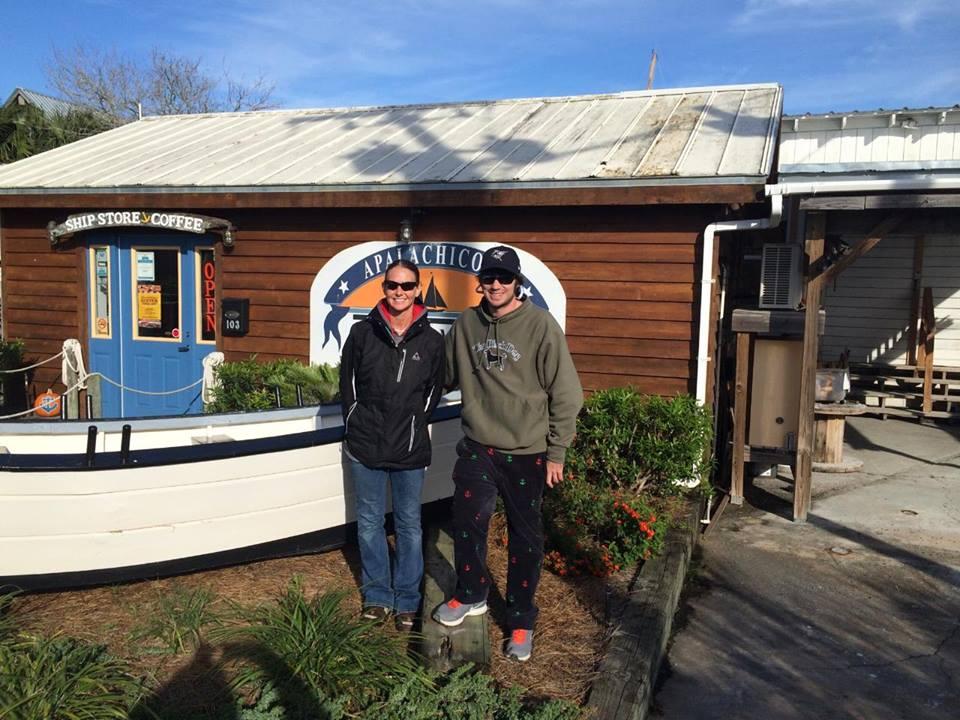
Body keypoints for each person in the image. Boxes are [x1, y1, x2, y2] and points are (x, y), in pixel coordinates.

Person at [433, 245, 583, 661]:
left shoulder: (540, 325)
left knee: (525, 538)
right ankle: (471, 594)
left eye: (504, 277)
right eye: (489, 277)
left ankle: (520, 620)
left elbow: (567, 393)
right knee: (467, 523)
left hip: (527, 451)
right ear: (479, 283)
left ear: (517, 283)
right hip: (478, 446)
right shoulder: (466, 325)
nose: (496, 284)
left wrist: (557, 452)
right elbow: (442, 376)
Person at [339, 258, 444, 631]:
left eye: (407, 285)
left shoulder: (432, 341)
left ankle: (407, 600)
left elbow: (433, 392)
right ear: (383, 288)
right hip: (365, 446)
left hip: (409, 449)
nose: (399, 292)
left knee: (409, 525)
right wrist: (355, 422)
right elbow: (348, 385)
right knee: (369, 523)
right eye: (392, 285)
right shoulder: (361, 333)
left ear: (417, 290)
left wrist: (415, 424)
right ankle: (378, 596)